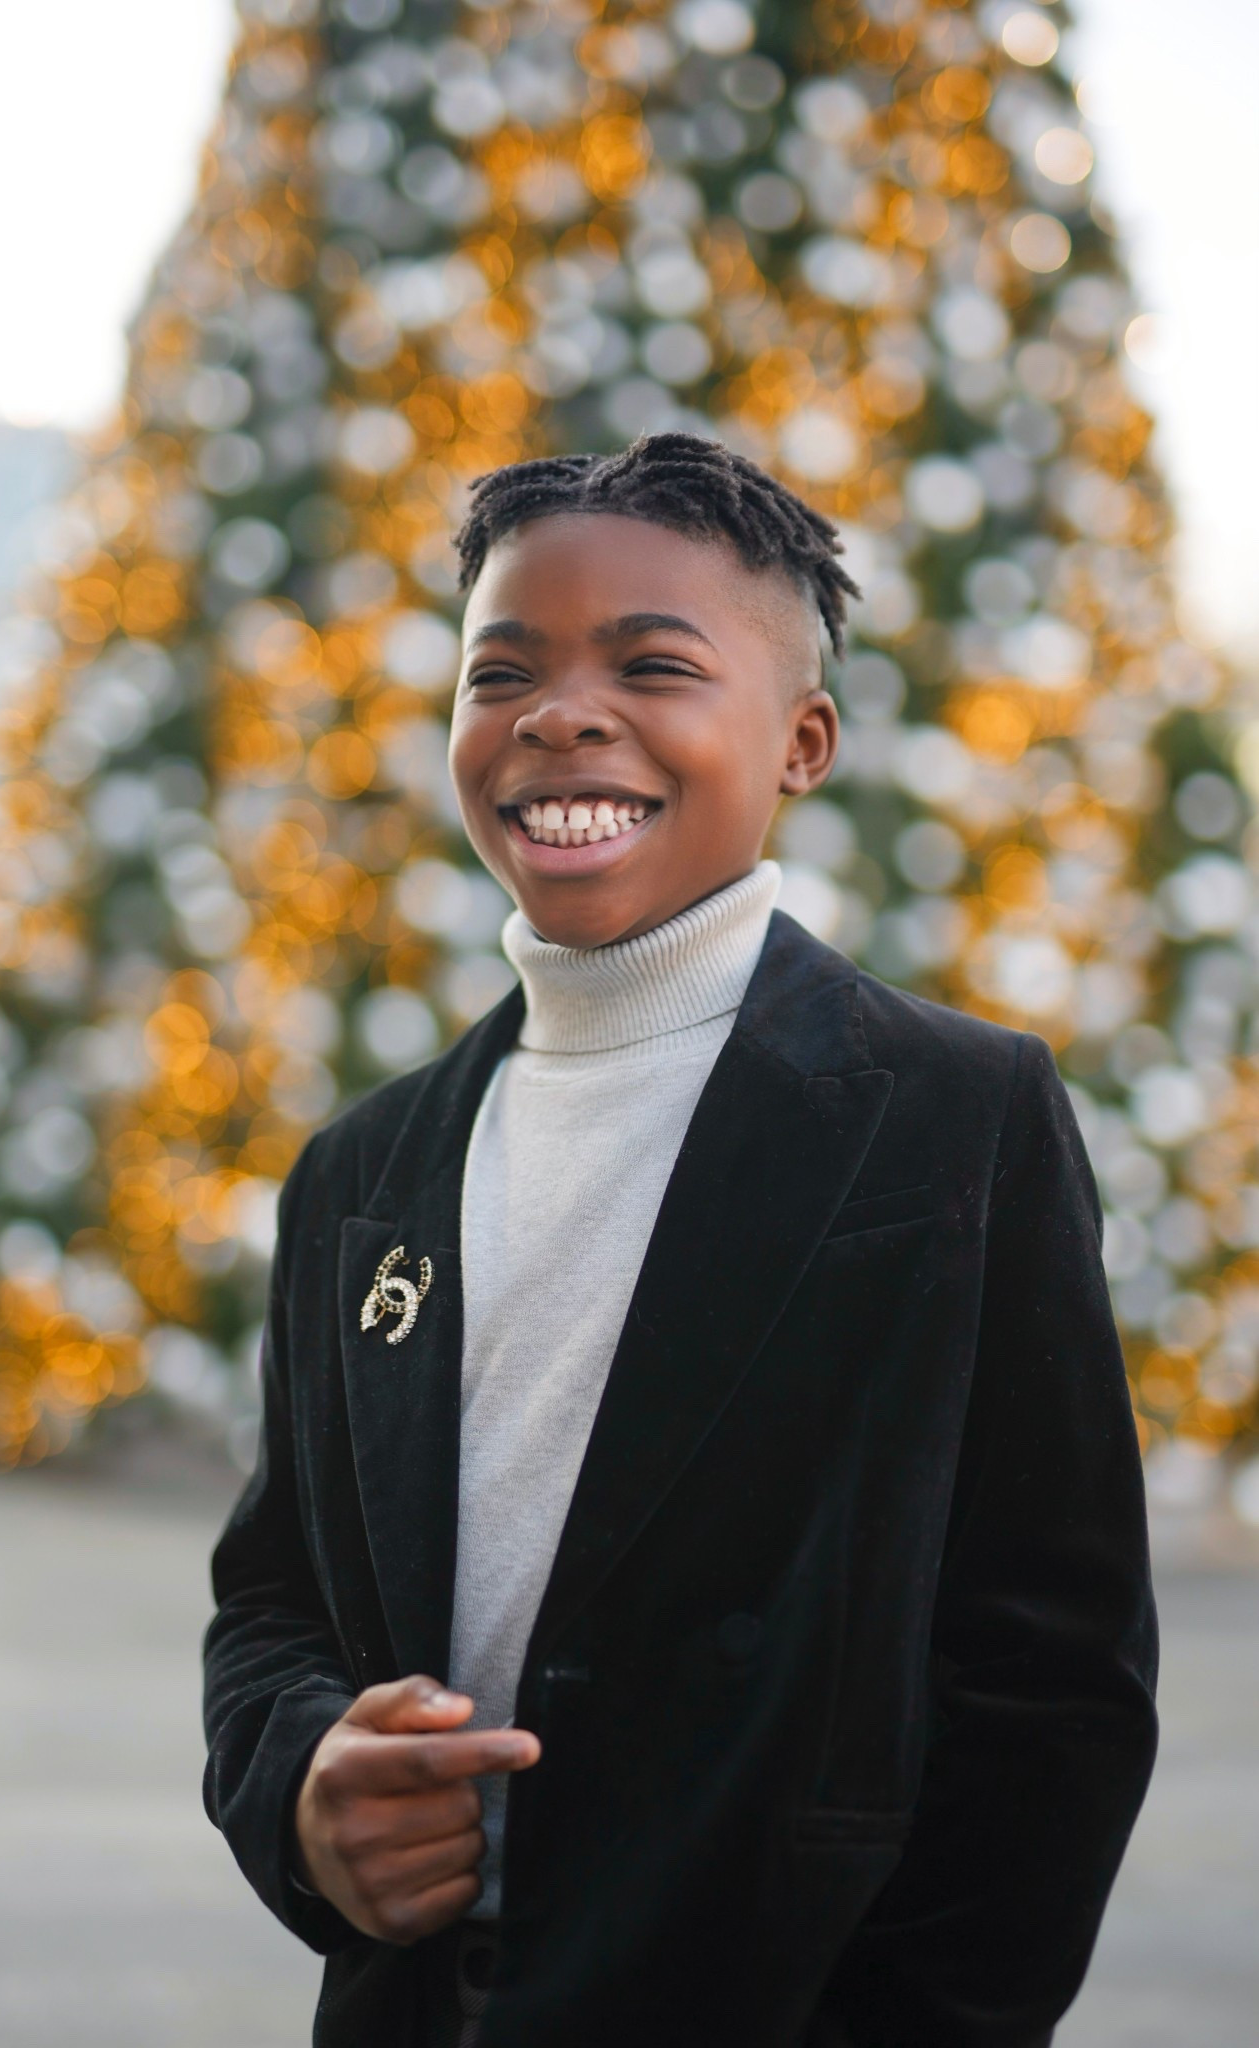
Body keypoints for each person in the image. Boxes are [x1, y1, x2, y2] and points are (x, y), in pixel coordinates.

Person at [202, 433, 1159, 2048]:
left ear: (799, 742)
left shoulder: (948, 1120)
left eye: (652, 664)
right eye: (499, 672)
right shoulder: (362, 1171)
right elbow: (277, 1600)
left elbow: (1045, 1678)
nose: (561, 713)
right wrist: (298, 1784)